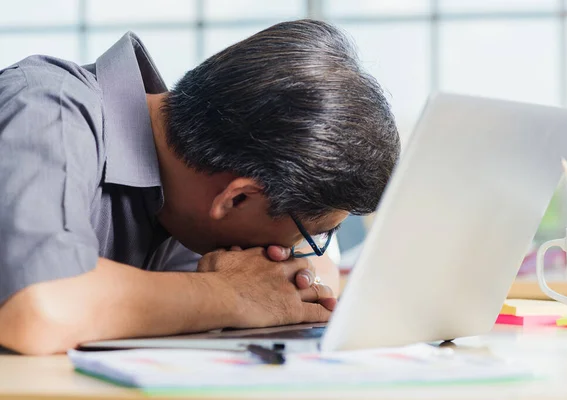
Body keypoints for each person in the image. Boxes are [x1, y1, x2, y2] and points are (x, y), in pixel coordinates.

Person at [0, 19, 400, 355]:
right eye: (312, 235)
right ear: (237, 197)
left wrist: (274, 286)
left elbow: (313, 278)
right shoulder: (48, 109)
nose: (308, 249)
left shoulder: (188, 192)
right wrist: (230, 295)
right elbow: (37, 306)